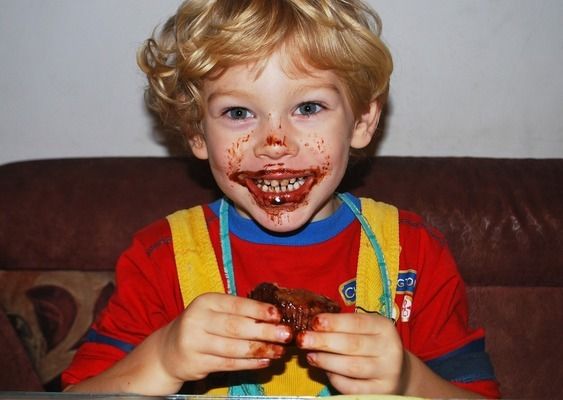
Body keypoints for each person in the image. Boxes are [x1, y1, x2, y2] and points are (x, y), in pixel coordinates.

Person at [62, 0, 500, 398]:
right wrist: (161, 360)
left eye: (308, 108)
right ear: (197, 132)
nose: (275, 142)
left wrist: (409, 380)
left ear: (363, 120)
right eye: (238, 113)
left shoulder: (413, 251)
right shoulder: (161, 258)